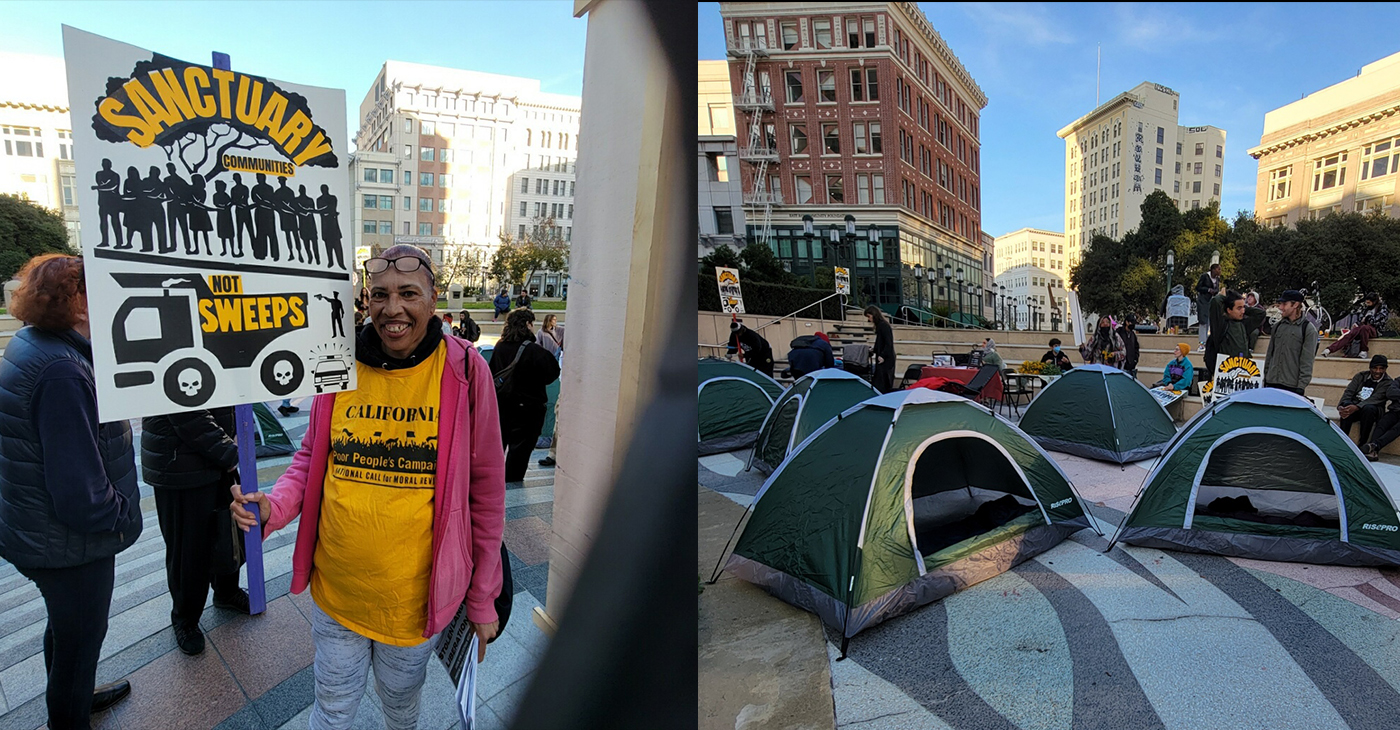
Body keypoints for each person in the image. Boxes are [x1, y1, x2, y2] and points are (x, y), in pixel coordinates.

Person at [230, 245, 505, 728]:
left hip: (414, 605)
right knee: (332, 710)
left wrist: (482, 597)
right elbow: (313, 456)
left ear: (433, 298)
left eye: (408, 294)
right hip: (338, 592)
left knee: (401, 710)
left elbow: (486, 494)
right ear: (365, 299)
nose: (392, 309)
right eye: (379, 294)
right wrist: (275, 507)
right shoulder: (338, 363)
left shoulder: (464, 369)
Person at [0, 254, 141, 728]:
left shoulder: (34, 343)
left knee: (67, 631)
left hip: (39, 532)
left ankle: (76, 691)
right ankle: (71, 710)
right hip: (68, 544)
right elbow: (79, 491)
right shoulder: (61, 369)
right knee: (81, 641)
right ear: (77, 302)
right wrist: (120, 515)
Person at [140, 407, 249, 655]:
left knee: (228, 530)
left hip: (216, 452)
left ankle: (227, 591)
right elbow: (181, 406)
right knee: (187, 548)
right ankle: (185, 619)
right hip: (179, 461)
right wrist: (228, 452)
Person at [491, 308, 561, 482]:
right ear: (528, 324)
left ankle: (494, 480)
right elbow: (552, 373)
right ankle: (511, 480)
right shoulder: (534, 350)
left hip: (502, 405)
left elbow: (492, 372)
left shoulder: (500, 346)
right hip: (529, 408)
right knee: (520, 450)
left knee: (499, 444)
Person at [1263, 289, 1319, 396]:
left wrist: (1301, 386)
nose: (1280, 308)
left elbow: (1307, 360)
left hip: (1291, 385)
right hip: (1272, 382)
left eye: (1284, 304)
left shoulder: (1308, 329)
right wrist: (1266, 377)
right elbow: (1270, 354)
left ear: (1295, 305)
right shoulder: (1278, 326)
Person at [1203, 290, 1267, 380]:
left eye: (1243, 307)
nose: (1243, 311)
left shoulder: (1243, 324)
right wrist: (1226, 299)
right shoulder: (1220, 326)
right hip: (1225, 373)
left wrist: (1241, 306)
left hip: (1243, 372)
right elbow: (1216, 301)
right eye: (1239, 308)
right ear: (1229, 310)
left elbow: (1261, 314)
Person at [1339, 355, 1392, 446]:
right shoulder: (1360, 376)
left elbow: (1376, 398)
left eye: (1381, 368)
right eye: (1375, 368)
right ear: (1370, 367)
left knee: (1368, 408)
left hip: (1372, 410)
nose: (1378, 371)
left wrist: (1357, 407)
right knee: (1346, 405)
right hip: (1355, 405)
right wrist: (1342, 405)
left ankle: (1362, 443)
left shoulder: (1388, 382)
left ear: (1385, 369)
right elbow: (1349, 391)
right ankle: (1343, 441)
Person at [1325, 292, 1389, 359]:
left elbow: (1379, 320)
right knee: (1351, 333)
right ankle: (1330, 349)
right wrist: (1357, 323)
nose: (1368, 304)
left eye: (1369, 303)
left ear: (1374, 302)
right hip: (1362, 328)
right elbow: (1361, 318)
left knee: (1364, 328)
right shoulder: (1366, 309)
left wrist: (1367, 318)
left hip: (1375, 329)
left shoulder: (1382, 308)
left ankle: (1364, 350)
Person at [864, 306, 897, 393]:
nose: (869, 319)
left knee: (883, 382)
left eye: (869, 316)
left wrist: (882, 355)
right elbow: (881, 342)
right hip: (883, 357)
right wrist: (874, 350)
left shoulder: (883, 326)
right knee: (880, 381)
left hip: (885, 358)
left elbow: (888, 343)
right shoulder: (882, 326)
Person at [1195, 263, 1222, 350]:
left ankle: (1206, 342)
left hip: (1211, 301)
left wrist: (1216, 291)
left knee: (1209, 321)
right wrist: (1208, 290)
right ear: (1213, 270)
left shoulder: (1217, 279)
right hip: (1203, 301)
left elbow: (1217, 289)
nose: (1220, 271)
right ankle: (1202, 343)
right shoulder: (1205, 276)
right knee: (1203, 322)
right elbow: (1198, 287)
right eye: (1218, 269)